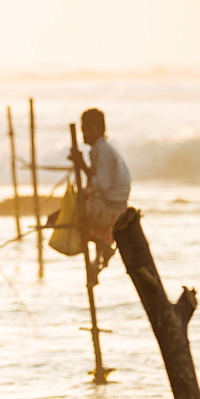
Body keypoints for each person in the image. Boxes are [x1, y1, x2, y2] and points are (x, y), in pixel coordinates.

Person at [68, 107, 131, 279]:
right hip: (109, 203)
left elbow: (101, 185)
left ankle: (103, 248)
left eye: (85, 129)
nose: (83, 134)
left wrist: (81, 164)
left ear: (95, 129)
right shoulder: (100, 149)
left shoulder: (102, 151)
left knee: (73, 216)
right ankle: (98, 257)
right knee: (79, 205)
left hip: (111, 208)